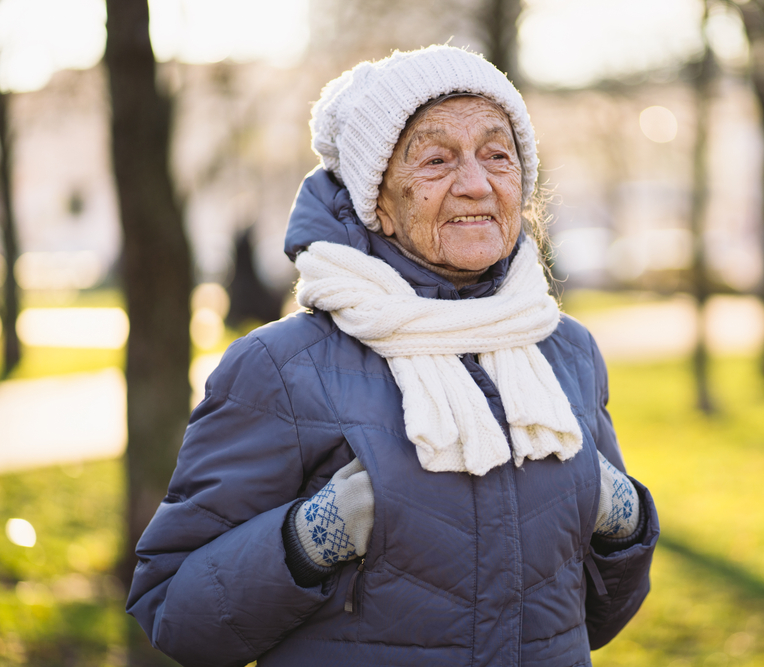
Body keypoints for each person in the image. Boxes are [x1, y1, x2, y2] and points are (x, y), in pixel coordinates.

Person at [126, 44, 659, 667]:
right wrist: (313, 537)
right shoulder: (282, 367)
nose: (476, 183)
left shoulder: (565, 352)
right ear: (375, 198)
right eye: (436, 159)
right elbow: (177, 614)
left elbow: (596, 621)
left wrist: (623, 520)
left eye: (497, 154)